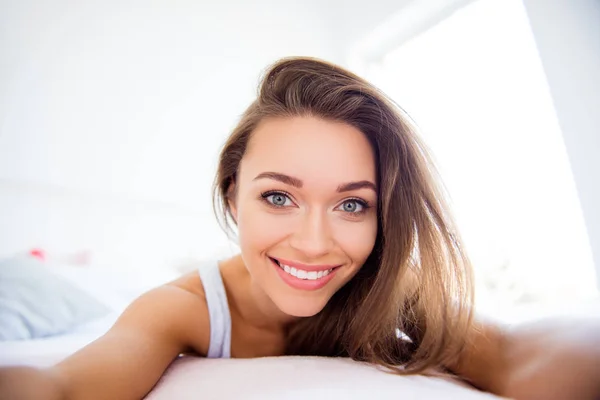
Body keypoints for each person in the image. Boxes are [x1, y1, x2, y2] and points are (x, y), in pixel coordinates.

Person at [1, 57, 599, 400]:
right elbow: (66, 386)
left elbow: (520, 355)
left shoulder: (394, 286)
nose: (314, 243)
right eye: (279, 196)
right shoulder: (183, 308)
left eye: (351, 206)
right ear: (233, 196)